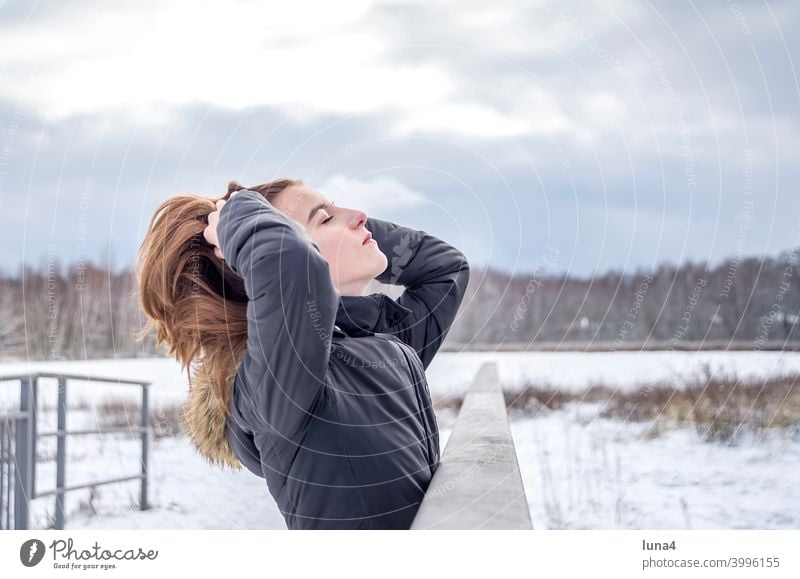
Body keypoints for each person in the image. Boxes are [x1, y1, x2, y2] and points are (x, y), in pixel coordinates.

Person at [136, 178, 470, 529]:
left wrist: (353, 230)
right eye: (324, 220)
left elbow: (445, 269)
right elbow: (293, 265)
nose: (360, 216)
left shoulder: (382, 346)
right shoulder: (278, 380)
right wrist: (236, 211)